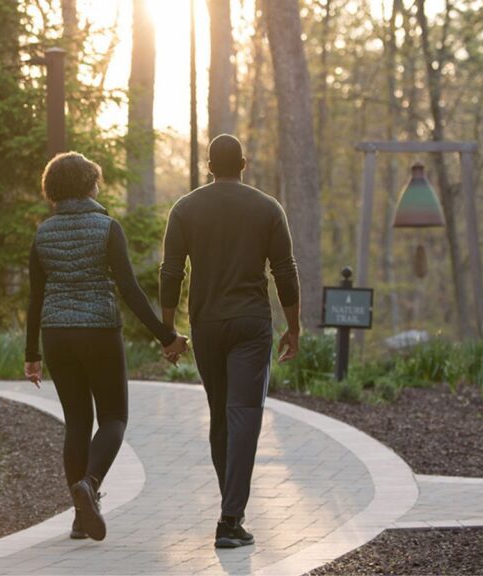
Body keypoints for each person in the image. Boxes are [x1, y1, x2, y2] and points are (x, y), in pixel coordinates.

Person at [24, 152, 188, 542]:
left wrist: (32, 354)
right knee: (114, 417)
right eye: (95, 180)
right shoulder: (107, 227)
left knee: (77, 423)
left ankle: (80, 521)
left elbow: (34, 297)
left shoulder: (43, 232)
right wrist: (167, 337)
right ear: (88, 184)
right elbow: (130, 291)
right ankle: (90, 485)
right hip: (98, 330)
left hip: (56, 334)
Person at [159, 135, 300, 549]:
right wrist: (294, 327)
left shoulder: (185, 209)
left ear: (208, 166)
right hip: (251, 324)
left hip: (207, 325)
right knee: (243, 416)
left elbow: (171, 273)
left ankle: (230, 512)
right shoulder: (267, 208)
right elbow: (285, 272)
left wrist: (169, 333)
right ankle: (230, 517)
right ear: (243, 163)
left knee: (221, 416)